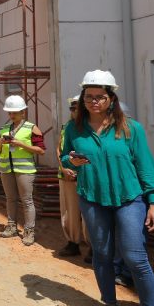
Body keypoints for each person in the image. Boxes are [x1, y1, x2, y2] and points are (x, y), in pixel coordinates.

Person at [61, 69, 154, 306]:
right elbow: (65, 156)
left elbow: (145, 165)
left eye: (100, 97)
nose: (94, 101)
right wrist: (70, 161)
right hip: (93, 198)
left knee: (135, 257)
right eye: (89, 97)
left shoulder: (131, 129)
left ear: (111, 99)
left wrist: (153, 202)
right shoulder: (74, 128)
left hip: (129, 199)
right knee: (103, 255)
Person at [0, 95, 45, 246]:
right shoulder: (4, 129)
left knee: (27, 200)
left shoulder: (32, 128)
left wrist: (20, 144)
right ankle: (11, 226)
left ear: (23, 112)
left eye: (15, 112)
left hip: (24, 170)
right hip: (6, 169)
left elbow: (41, 150)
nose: (12, 115)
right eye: (9, 112)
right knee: (10, 198)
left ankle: (29, 231)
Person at [54, 96, 89, 257]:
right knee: (69, 211)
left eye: (77, 107)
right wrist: (64, 168)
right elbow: (60, 150)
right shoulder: (67, 127)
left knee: (89, 212)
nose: (74, 111)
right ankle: (73, 242)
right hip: (67, 175)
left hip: (85, 175)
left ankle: (92, 247)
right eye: (72, 108)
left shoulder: (90, 127)